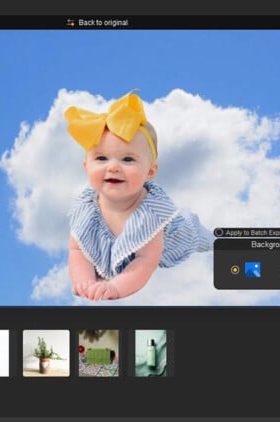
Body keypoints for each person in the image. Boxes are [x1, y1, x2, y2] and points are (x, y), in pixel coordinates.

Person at [65, 90, 212, 301]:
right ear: (86, 166)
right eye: (102, 158)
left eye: (127, 159)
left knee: (203, 238)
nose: (113, 167)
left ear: (150, 171)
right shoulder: (86, 208)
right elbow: (77, 249)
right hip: (121, 245)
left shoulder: (150, 215)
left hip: (181, 236)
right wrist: (84, 280)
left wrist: (115, 287)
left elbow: (144, 262)